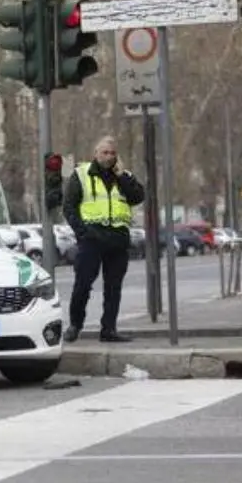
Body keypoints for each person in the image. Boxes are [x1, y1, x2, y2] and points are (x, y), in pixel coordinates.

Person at [62, 136, 148, 343]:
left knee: (113, 287)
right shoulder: (81, 175)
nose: (109, 157)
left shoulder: (123, 175)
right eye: (105, 153)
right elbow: (69, 207)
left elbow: (138, 197)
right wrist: (82, 233)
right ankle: (75, 324)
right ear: (96, 154)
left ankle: (109, 329)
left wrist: (121, 176)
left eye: (112, 153)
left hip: (117, 239)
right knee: (83, 284)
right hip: (92, 239)